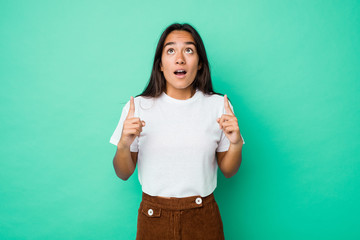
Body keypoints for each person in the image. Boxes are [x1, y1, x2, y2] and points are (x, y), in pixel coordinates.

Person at [109, 23, 245, 240]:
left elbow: (228, 170)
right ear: (160, 65)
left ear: (199, 63)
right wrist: (124, 144)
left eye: (189, 50)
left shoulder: (218, 105)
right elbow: (123, 173)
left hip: (203, 217)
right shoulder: (138, 107)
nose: (180, 58)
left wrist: (236, 144)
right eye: (170, 50)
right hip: (154, 218)